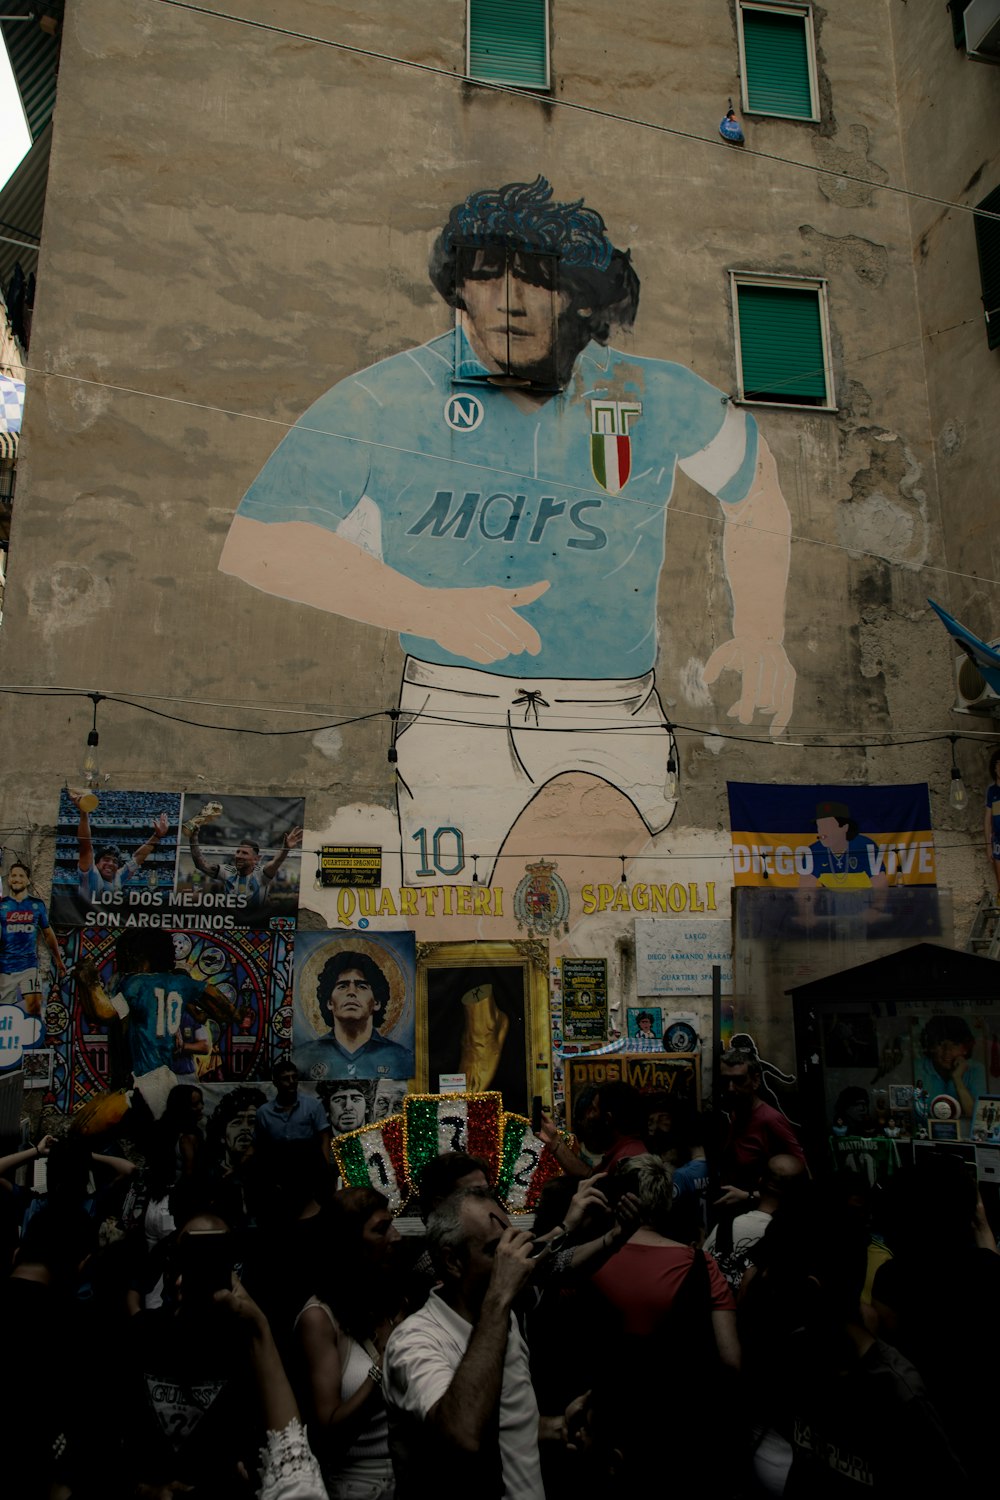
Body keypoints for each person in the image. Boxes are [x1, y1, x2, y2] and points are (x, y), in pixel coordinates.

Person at [221, 176, 797, 884]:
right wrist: (425, 608)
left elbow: (757, 484)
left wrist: (762, 631)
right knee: (464, 943)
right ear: (458, 288)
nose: (510, 300)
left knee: (556, 896)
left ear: (577, 294)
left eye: (536, 280)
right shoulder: (385, 398)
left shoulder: (651, 393)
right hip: (448, 706)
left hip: (605, 713)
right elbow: (259, 539)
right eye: (486, 277)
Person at [382, 1185, 585, 1497]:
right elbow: (462, 1435)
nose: (515, 1261)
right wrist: (500, 1297)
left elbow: (505, 1425)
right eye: (496, 1251)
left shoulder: (504, 1318)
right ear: (452, 1261)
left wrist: (557, 1428)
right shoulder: (414, 1342)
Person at [294, 1187, 406, 1498]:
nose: (396, 1237)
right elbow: (328, 1435)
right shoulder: (320, 1319)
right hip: (357, 1486)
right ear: (349, 1244)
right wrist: (381, 1370)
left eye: (392, 1224)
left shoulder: (394, 1305)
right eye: (381, 1230)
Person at [76, 928, 239, 1121]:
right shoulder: (179, 983)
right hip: (165, 1073)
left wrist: (90, 982)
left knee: (91, 1128)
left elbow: (104, 1014)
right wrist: (235, 1014)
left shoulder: (135, 984)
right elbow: (218, 1003)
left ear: (135, 955)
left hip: (145, 1076)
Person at [295, 950, 414, 1081]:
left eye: (362, 986)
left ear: (376, 1002)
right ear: (329, 1002)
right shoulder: (303, 1056)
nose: (351, 992)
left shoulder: (401, 1057)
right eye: (342, 986)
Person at [716, 1046, 806, 1207]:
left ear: (756, 1080)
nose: (730, 1088)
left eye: (739, 1080)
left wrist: (749, 1196)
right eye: (725, 1081)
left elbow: (803, 1179)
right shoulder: (736, 1115)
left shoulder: (770, 1120)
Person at [69, 788, 171, 899]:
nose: (110, 864)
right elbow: (85, 845)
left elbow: (138, 858)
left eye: (114, 861)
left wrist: (157, 836)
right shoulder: (90, 875)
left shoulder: (118, 877)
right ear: (96, 863)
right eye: (106, 859)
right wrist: (84, 813)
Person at [540, 1079, 647, 1179]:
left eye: (594, 1110)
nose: (589, 1116)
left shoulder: (628, 1160)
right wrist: (554, 1140)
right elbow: (590, 1176)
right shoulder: (622, 1152)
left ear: (608, 1118)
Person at [0, 859, 65, 1014]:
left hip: (29, 966)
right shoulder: (2, 905)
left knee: (34, 1007)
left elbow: (48, 934)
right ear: (9, 879)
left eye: (21, 876)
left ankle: (31, 1037)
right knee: (4, 1011)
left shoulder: (37, 905)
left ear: (28, 880)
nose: (17, 879)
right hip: (5, 967)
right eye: (13, 875)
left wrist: (58, 960)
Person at [189, 818, 303, 904]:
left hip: (254, 926)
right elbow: (201, 864)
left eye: (244, 853)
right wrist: (193, 838)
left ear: (256, 859)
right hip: (231, 924)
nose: (239, 856)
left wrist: (286, 848)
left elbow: (276, 862)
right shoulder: (227, 871)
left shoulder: (261, 874)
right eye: (238, 852)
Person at [256, 1059, 332, 1165]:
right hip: (278, 1167)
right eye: (286, 1079)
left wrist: (326, 1169)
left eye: (294, 1077)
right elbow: (257, 1145)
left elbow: (324, 1138)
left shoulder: (313, 1106)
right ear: (275, 1082)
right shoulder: (264, 1112)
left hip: (308, 1166)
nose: (291, 1082)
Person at [798, 800, 887, 890]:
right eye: (820, 826)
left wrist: (875, 904)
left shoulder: (865, 846)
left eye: (828, 826)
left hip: (865, 899)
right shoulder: (814, 851)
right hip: (829, 901)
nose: (822, 832)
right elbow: (806, 892)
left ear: (845, 827)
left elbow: (880, 887)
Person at [917, 1015, 986, 1118]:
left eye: (955, 1044)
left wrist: (957, 1079)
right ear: (931, 1046)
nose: (947, 1051)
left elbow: (977, 1117)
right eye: (940, 1044)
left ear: (965, 1048)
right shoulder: (918, 1068)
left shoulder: (976, 1070)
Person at [985, 746, 1000, 899]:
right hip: (998, 842)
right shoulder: (992, 791)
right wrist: (987, 846)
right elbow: (987, 821)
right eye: (998, 764)